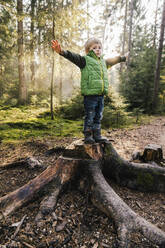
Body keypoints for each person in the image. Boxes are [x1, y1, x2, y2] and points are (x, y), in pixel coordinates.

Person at [51, 38, 126, 144]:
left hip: (101, 95)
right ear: (88, 50)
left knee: (98, 116)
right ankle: (88, 135)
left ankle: (97, 135)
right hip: (90, 96)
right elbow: (74, 57)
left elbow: (114, 60)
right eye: (94, 48)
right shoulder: (85, 60)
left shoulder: (103, 62)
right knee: (90, 115)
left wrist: (123, 58)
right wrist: (62, 52)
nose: (98, 49)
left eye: (99, 47)